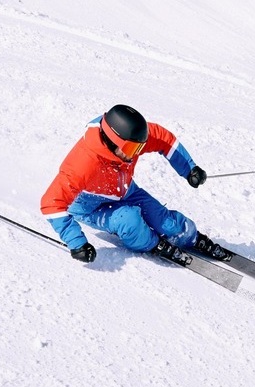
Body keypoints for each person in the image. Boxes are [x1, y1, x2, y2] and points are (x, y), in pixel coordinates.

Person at [40, 104, 232, 266]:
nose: (135, 154)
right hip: (91, 207)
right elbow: (51, 203)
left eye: (139, 148)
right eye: (132, 149)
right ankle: (152, 243)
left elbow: (164, 139)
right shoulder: (83, 163)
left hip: (125, 191)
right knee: (130, 221)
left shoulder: (130, 141)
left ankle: (191, 237)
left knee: (167, 222)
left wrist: (190, 169)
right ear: (112, 141)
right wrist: (77, 242)